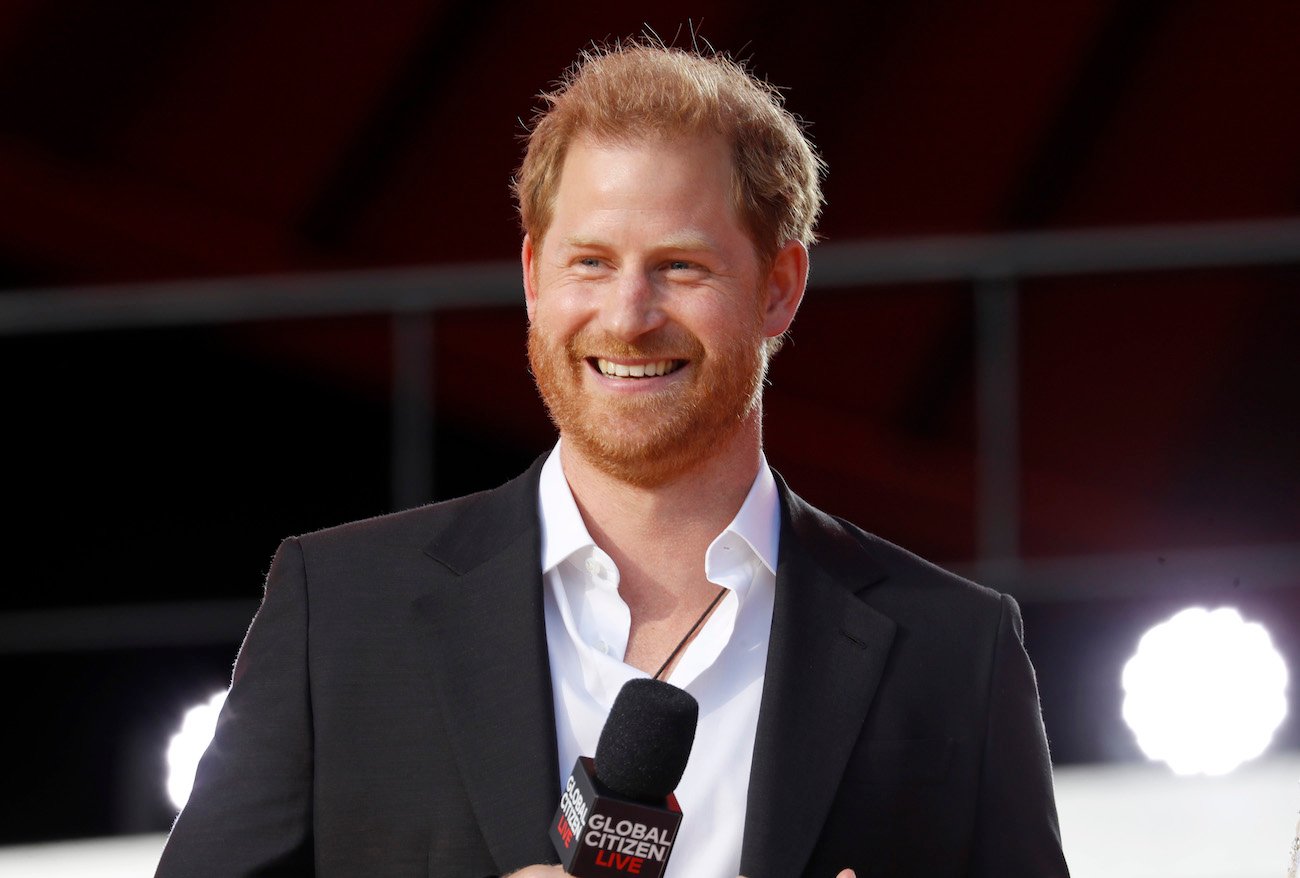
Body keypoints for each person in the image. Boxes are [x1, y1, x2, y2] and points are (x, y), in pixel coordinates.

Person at [155, 41, 1069, 878]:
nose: (628, 316)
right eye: (590, 262)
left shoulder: (956, 648)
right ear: (531, 278)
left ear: (780, 289)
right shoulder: (341, 608)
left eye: (680, 266)